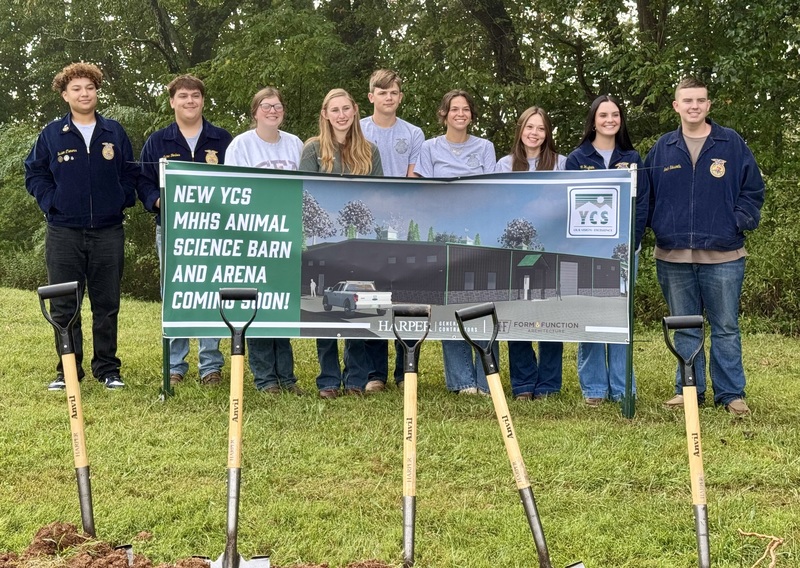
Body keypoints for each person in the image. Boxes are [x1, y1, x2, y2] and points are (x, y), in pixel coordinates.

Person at [645, 78, 764, 417]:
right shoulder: (663, 148)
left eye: (700, 100)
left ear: (709, 105)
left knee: (725, 326)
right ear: (676, 106)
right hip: (673, 255)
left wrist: (737, 221)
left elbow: (753, 189)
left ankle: (730, 394)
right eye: (687, 100)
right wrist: (657, 225)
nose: (694, 105)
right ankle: (688, 389)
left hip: (724, 254)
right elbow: (646, 195)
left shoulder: (731, 143)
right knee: (685, 325)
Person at [25, 62, 138, 390]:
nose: (84, 93)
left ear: (97, 91)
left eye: (89, 87)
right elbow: (34, 173)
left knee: (106, 303)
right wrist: (52, 201)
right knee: (64, 304)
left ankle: (108, 369)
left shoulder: (113, 132)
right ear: (65, 95)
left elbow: (130, 172)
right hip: (63, 232)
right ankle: (68, 370)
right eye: (76, 88)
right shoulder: (51, 134)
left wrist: (120, 198)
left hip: (108, 230)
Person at [138, 74, 232, 387]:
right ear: (172, 102)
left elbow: (237, 183)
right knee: (175, 294)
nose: (189, 101)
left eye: (195, 96)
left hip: (215, 232)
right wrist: (157, 201)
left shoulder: (222, 139)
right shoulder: (158, 141)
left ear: (203, 100)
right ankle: (175, 366)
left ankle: (210, 367)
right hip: (173, 231)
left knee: (213, 293)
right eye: (183, 96)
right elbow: (143, 182)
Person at [299, 88, 384, 399]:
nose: (341, 115)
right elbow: (304, 196)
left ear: (355, 110)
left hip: (359, 243)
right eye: (334, 110)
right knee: (326, 311)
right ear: (325, 114)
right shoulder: (312, 149)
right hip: (323, 242)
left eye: (346, 108)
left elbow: (378, 197)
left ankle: (356, 380)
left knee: (357, 308)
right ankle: (328, 380)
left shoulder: (370, 151)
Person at [565, 95, 648, 407]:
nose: (610, 120)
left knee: (619, 318)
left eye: (615, 115)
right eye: (603, 115)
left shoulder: (633, 157)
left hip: (625, 252)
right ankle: (595, 389)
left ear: (621, 120)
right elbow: (568, 205)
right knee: (590, 315)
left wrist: (632, 242)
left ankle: (623, 387)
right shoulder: (577, 159)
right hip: (588, 253)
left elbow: (643, 205)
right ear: (593, 120)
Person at [414, 89, 498, 395]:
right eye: (454, 109)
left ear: (471, 115)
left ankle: (486, 378)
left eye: (465, 109)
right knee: (451, 303)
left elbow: (491, 190)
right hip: (443, 236)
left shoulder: (485, 147)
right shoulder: (429, 148)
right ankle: (462, 381)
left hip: (478, 233)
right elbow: (423, 194)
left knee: (481, 302)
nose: (460, 114)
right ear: (444, 114)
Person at [224, 86, 304, 395]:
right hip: (253, 235)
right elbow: (232, 192)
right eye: (266, 106)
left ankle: (287, 377)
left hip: (286, 237)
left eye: (278, 106)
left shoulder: (295, 144)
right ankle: (265, 380)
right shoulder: (241, 146)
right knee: (258, 305)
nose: (273, 110)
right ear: (255, 111)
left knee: (280, 305)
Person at [359, 69, 425, 393]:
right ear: (370, 96)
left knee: (405, 295)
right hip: (368, 224)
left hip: (402, 221)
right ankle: (375, 373)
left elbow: (414, 178)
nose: (388, 97)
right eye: (381, 92)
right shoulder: (357, 130)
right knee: (372, 296)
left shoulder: (414, 134)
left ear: (400, 97)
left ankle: (404, 371)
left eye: (393, 92)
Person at [496, 106, 567, 401]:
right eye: (529, 127)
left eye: (540, 128)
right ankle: (523, 383)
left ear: (547, 133)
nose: (534, 133)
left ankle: (549, 383)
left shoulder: (561, 163)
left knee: (551, 315)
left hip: (551, 250)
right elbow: (497, 204)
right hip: (515, 251)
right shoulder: (504, 164)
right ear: (520, 130)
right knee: (518, 314)